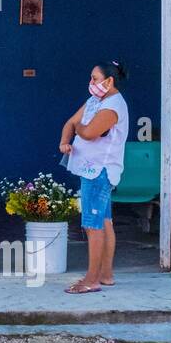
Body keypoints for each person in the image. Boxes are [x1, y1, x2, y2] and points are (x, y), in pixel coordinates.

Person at [59, 62, 130, 294]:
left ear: (109, 81)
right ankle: (106, 275)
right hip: (89, 169)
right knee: (105, 222)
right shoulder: (94, 101)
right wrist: (65, 141)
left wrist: (80, 126)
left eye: (95, 78)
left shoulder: (112, 107)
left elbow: (88, 133)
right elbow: (71, 122)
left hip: (99, 172)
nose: (91, 83)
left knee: (93, 225)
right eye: (90, 78)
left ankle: (91, 279)